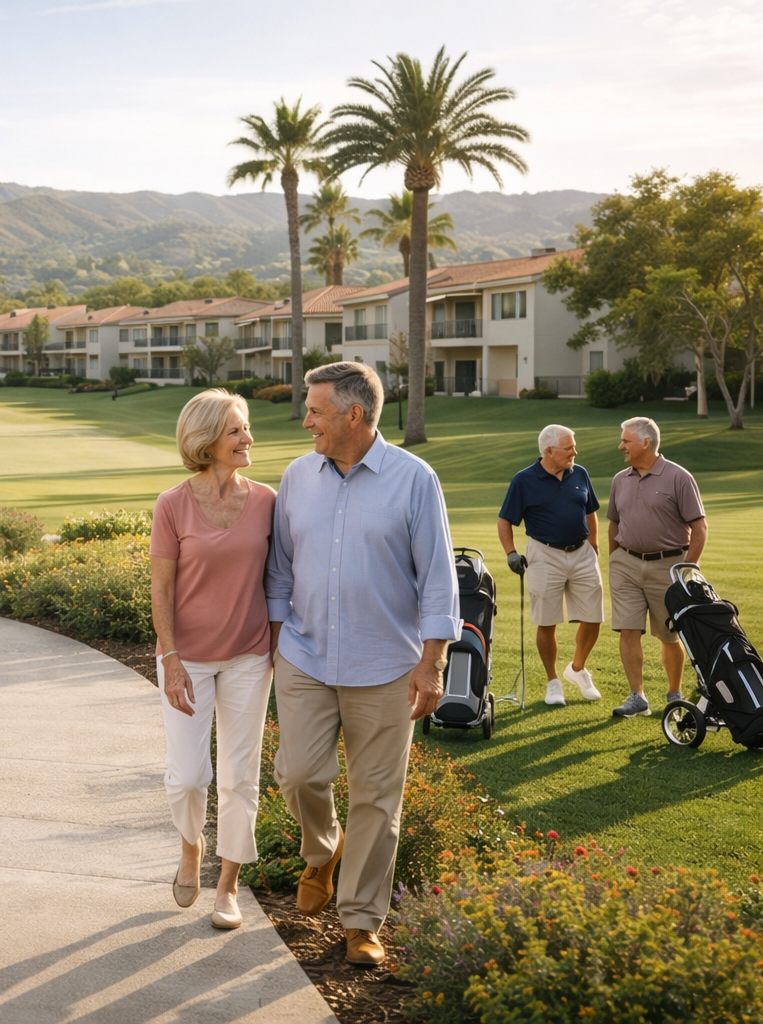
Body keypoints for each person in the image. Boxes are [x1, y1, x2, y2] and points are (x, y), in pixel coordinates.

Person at [266, 361, 459, 967]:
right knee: (297, 774)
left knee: (377, 796)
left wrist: (432, 662)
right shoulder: (298, 477)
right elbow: (279, 571)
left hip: (386, 665)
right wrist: (273, 646)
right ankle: (323, 850)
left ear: (355, 414)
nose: (306, 421)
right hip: (305, 654)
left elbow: (438, 579)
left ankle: (360, 922)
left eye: (316, 411)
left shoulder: (414, 479)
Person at [150, 389, 277, 931]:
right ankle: (191, 845)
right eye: (236, 431)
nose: (248, 438)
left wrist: (274, 646)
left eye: (246, 428)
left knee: (239, 776)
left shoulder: (270, 500)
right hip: (188, 658)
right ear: (206, 441)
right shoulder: (172, 504)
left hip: (250, 655)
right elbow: (161, 588)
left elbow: (282, 577)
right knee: (187, 776)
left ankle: (228, 887)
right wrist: (170, 656)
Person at [606, 416, 707, 718]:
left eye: (626, 440)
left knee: (669, 635)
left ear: (645, 443)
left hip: (668, 567)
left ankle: (674, 693)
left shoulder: (678, 477)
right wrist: (614, 558)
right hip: (625, 564)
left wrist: (686, 569)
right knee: (628, 629)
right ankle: (637, 696)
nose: (620, 445)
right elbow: (613, 522)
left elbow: (699, 529)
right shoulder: (619, 479)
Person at [496, 425, 604, 706]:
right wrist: (511, 553)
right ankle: (553, 681)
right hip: (544, 554)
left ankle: (577, 669)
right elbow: (505, 519)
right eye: (569, 448)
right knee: (547, 621)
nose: (575, 452)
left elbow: (589, 510)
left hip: (582, 553)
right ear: (549, 451)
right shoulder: (524, 480)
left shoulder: (579, 473)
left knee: (594, 617)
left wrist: (593, 544)